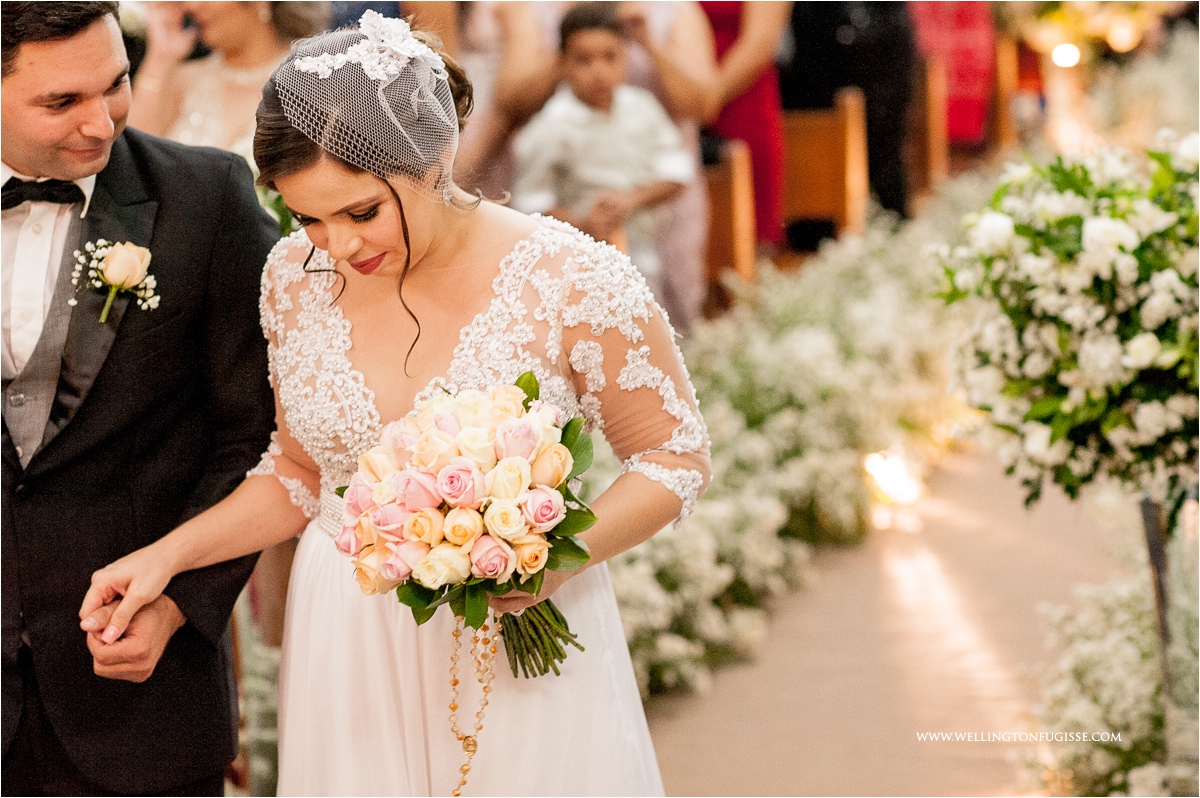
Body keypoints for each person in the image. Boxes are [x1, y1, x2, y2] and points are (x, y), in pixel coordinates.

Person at [80, 12, 711, 796]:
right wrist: (166, 557)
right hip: (349, 636)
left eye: (361, 212)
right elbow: (300, 475)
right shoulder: (291, 277)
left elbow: (674, 455)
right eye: (307, 215)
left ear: (432, 156)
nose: (337, 246)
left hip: (511, 622)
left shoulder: (568, 275)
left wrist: (555, 558)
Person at [0, 2, 278, 795]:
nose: (102, 123)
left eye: (115, 83)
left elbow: (258, 439)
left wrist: (179, 604)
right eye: (61, 102)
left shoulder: (207, 201)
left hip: (142, 701)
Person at [511, 3, 694, 304]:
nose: (599, 71)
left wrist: (631, 199)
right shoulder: (550, 126)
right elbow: (530, 204)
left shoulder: (642, 107)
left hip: (645, 255)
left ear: (625, 57)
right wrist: (584, 225)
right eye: (584, 60)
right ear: (562, 63)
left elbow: (676, 173)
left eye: (610, 57)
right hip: (578, 266)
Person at [129, 1, 328, 153]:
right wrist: (161, 57)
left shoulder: (316, 80)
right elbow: (129, 157)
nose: (193, 5)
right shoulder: (182, 80)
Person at [698, 1, 792, 252]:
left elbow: (760, 43)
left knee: (750, 238)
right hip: (671, 103)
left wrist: (703, 101)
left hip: (741, 102)